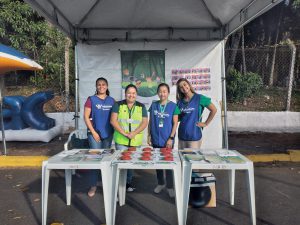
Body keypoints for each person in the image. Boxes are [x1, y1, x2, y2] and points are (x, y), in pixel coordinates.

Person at [110, 84, 148, 192]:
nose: (131, 95)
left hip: (135, 141)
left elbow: (145, 122)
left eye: (133, 93)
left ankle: (128, 183)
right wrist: (125, 133)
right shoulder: (118, 105)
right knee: (121, 163)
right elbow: (113, 121)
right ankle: (119, 184)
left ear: (136, 94)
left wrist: (134, 133)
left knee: (131, 163)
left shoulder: (141, 106)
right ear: (125, 94)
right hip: (121, 140)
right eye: (129, 93)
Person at [84, 77, 114, 197]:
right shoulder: (91, 99)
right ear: (96, 87)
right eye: (99, 85)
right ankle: (93, 185)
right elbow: (86, 117)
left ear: (107, 86)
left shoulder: (112, 101)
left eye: (103, 84)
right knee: (95, 159)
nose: (101, 86)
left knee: (106, 159)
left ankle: (107, 183)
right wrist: (94, 132)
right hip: (94, 134)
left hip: (108, 134)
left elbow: (115, 118)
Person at [148, 83, 180, 198]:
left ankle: (170, 186)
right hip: (156, 138)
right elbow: (150, 121)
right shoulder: (154, 105)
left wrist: (171, 138)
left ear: (168, 93)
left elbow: (175, 123)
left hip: (168, 140)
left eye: (164, 91)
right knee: (158, 162)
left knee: (168, 163)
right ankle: (160, 183)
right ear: (157, 93)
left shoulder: (173, 106)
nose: (162, 93)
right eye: (160, 91)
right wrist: (149, 135)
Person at [176, 78, 217, 149]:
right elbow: (177, 118)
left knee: (192, 159)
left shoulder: (200, 98)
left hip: (194, 136)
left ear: (188, 84)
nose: (184, 87)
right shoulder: (180, 102)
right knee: (182, 159)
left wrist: (206, 123)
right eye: (181, 87)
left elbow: (214, 110)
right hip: (182, 136)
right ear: (179, 90)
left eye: (185, 84)